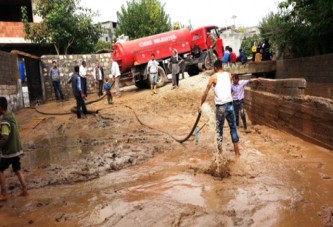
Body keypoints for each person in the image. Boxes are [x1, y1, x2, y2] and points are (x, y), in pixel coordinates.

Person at [200, 60, 240, 155]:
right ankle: (237, 153)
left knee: (219, 130)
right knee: (233, 128)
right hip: (230, 105)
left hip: (221, 107)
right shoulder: (229, 75)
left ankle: (220, 153)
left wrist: (201, 103)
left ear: (215, 68)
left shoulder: (213, 77)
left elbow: (206, 91)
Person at [0, 97, 29, 201]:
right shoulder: (11, 116)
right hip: (16, 149)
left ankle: (4, 194)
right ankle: (25, 190)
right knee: (17, 169)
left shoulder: (4, 121)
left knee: (0, 170)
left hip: (9, 151)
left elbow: (5, 137)